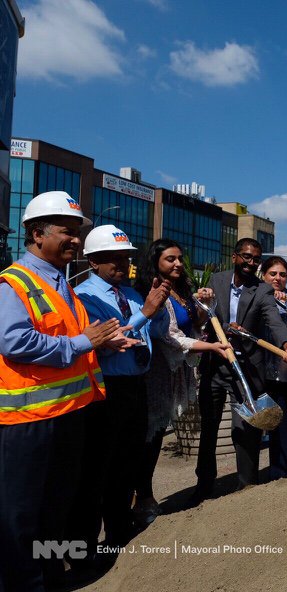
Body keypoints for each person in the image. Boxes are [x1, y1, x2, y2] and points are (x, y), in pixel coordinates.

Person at [0, 191, 124, 591]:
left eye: (77, 233)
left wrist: (104, 342)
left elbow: (73, 337)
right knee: (22, 515)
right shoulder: (13, 283)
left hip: (68, 415)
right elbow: (14, 342)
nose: (75, 240)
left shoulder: (59, 284)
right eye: (66, 232)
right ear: (37, 234)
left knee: (56, 508)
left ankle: (51, 577)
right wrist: (84, 343)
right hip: (28, 423)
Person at [70, 226, 172, 557]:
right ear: (93, 261)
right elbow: (107, 341)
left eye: (125, 257)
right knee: (98, 468)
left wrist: (156, 309)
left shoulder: (129, 294)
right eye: (113, 258)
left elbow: (152, 330)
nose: (121, 264)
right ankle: (84, 547)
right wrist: (145, 314)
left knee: (128, 463)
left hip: (135, 387)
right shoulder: (85, 297)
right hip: (105, 390)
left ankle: (118, 532)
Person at [190, 238, 287, 506]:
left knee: (246, 428)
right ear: (235, 256)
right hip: (216, 364)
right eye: (246, 257)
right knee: (210, 427)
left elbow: (273, 320)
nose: (251, 263)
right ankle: (204, 484)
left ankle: (247, 484)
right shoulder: (217, 280)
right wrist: (222, 324)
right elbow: (204, 315)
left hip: (247, 367)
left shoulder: (262, 290)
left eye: (256, 259)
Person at [133, 239, 228, 528]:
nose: (176, 264)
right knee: (147, 437)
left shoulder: (182, 290)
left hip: (174, 372)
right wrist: (210, 348)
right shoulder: (152, 292)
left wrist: (204, 305)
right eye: (169, 259)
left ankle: (143, 496)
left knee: (157, 433)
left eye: (179, 259)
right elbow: (170, 337)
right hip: (156, 372)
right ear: (155, 263)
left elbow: (194, 326)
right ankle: (143, 498)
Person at [256, 256, 287, 479]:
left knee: (281, 421)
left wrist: (286, 311)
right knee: (258, 423)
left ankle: (280, 470)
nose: (277, 278)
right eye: (272, 274)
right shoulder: (254, 296)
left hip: (283, 368)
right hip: (257, 365)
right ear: (263, 275)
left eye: (282, 274)